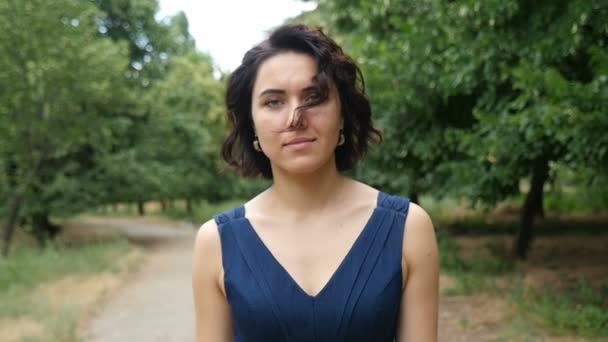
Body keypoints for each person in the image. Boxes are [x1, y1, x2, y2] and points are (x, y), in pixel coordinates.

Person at [192, 24, 439, 342]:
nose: (295, 117)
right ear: (252, 126)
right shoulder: (216, 242)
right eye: (274, 102)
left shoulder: (408, 229)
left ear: (343, 116)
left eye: (314, 97)